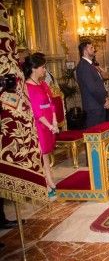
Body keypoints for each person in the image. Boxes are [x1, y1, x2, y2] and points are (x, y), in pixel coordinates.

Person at [23, 52, 58, 199]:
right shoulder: (27, 86)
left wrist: (55, 121)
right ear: (33, 68)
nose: (44, 70)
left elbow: (51, 104)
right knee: (43, 154)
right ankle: (48, 183)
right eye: (42, 67)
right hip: (40, 125)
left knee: (47, 154)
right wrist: (50, 126)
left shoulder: (43, 84)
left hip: (50, 123)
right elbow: (37, 111)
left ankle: (49, 180)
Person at [76, 41, 109, 128]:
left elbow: (98, 84)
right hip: (93, 106)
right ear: (85, 51)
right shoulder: (84, 66)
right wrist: (104, 100)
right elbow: (92, 88)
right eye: (91, 48)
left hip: (97, 104)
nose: (94, 50)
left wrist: (105, 97)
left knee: (100, 133)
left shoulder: (90, 65)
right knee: (95, 134)